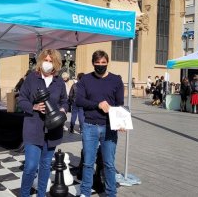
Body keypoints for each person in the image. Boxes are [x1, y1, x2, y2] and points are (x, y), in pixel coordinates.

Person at [17, 49, 68, 197]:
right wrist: (33, 107)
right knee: (31, 166)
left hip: (52, 130)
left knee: (45, 166)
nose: (48, 63)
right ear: (40, 61)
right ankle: (24, 194)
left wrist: (63, 110)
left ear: (56, 64)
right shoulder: (32, 79)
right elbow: (21, 99)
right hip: (33, 128)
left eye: (51, 61)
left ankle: (41, 194)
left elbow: (65, 101)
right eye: (46, 60)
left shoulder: (59, 82)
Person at [76, 50, 124, 197]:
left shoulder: (116, 80)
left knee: (109, 164)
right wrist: (98, 104)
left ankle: (111, 193)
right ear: (93, 63)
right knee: (88, 163)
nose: (100, 65)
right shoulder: (85, 79)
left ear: (107, 62)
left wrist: (121, 122)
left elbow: (119, 104)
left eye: (103, 62)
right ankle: (85, 192)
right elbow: (79, 100)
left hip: (109, 127)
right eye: (97, 63)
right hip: (90, 126)